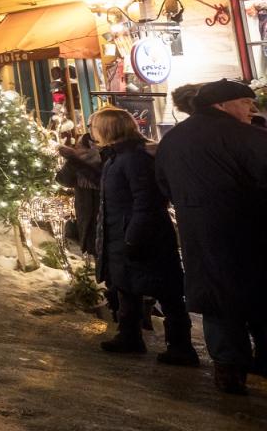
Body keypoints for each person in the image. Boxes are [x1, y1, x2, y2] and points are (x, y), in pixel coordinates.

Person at [154, 78, 267, 395]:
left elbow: (162, 184)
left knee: (218, 305)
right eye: (245, 103)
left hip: (199, 236)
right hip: (251, 233)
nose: (250, 109)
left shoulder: (173, 140)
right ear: (222, 105)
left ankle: (228, 372)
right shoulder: (246, 137)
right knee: (259, 299)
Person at [90, 107, 197, 366]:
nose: (91, 132)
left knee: (166, 290)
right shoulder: (116, 157)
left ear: (108, 129)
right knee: (126, 286)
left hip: (143, 236)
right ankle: (129, 335)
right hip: (123, 233)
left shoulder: (134, 158)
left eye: (95, 127)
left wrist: (133, 236)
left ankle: (181, 346)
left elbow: (146, 200)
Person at [55, 129, 104, 256]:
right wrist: (72, 161)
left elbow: (100, 179)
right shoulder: (78, 159)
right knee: (95, 253)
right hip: (86, 212)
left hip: (103, 211)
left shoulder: (106, 156)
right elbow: (63, 180)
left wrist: (76, 160)